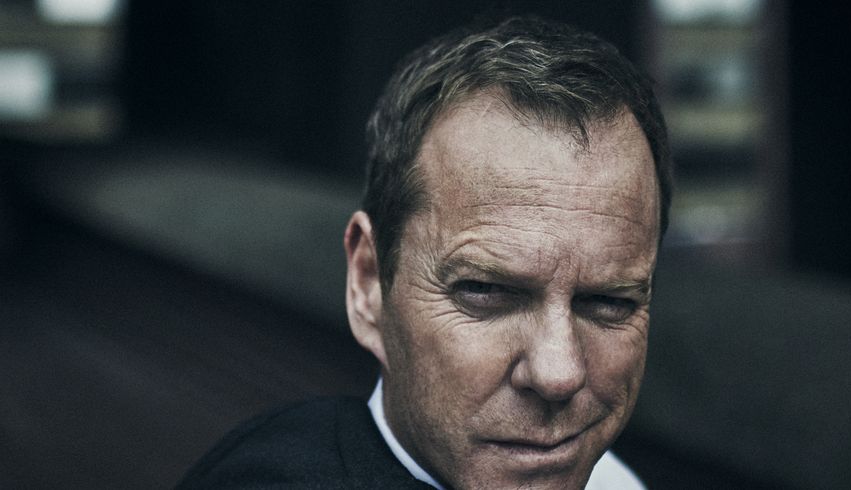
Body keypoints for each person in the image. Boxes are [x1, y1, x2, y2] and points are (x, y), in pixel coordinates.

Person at [177, 15, 672, 490]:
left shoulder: (612, 481)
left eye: (609, 302)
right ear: (368, 282)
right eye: (484, 291)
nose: (559, 373)